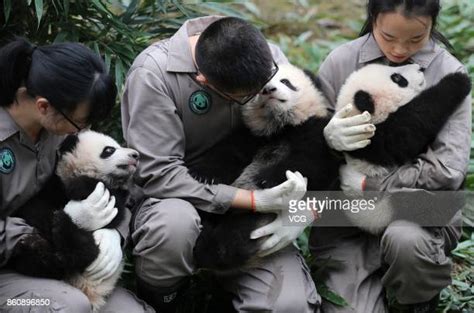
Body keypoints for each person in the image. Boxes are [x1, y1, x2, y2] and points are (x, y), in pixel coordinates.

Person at [122, 16, 319, 313]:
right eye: (248, 97)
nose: (264, 95)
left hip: (248, 207)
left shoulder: (267, 58)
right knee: (174, 226)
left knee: (289, 304)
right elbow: (159, 174)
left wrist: (303, 209)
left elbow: (302, 139)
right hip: (176, 199)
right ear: (204, 82)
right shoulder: (153, 74)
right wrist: (251, 199)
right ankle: (164, 299)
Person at [311, 0, 471, 312]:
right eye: (388, 37)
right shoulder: (341, 61)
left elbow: (448, 171)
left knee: (405, 241)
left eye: (415, 39)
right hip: (347, 215)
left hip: (420, 208)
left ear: (432, 24)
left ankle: (417, 298)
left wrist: (366, 181)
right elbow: (307, 154)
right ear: (372, 18)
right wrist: (326, 141)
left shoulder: (448, 72)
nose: (399, 51)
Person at [0, 38, 154, 313]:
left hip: (62, 262)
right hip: (10, 276)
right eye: (80, 122)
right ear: (44, 107)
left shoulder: (58, 131)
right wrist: (60, 225)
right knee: (65, 306)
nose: (83, 131)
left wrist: (114, 235)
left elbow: (113, 188)